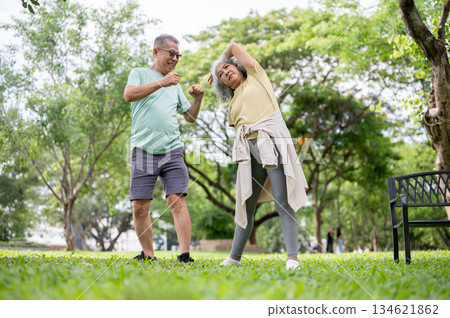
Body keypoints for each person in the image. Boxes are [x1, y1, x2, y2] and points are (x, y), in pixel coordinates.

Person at [209, 43, 308, 270]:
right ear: (222, 85)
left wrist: (214, 66)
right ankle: (234, 257)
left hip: (271, 142)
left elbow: (233, 46)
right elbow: (240, 130)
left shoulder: (256, 76)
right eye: (221, 76)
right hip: (249, 150)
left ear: (237, 67)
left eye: (226, 68)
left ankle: (292, 258)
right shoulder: (232, 104)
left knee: (282, 200)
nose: (225, 73)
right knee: (246, 203)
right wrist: (216, 72)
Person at [123, 34, 204, 263]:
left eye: (178, 54)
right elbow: (128, 95)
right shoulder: (139, 73)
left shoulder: (174, 84)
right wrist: (162, 81)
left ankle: (185, 255)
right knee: (140, 206)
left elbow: (189, 117)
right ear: (156, 52)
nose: (175, 58)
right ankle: (148, 255)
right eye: (172, 53)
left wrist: (197, 100)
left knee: (176, 199)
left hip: (172, 149)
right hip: (144, 149)